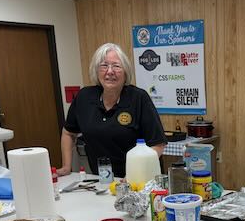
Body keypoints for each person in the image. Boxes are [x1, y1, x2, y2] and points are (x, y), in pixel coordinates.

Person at [57, 43, 167, 178]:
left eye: (116, 66)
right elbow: (68, 132)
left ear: (125, 72)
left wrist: (135, 175)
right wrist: (66, 167)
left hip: (140, 181)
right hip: (101, 180)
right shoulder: (84, 97)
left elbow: (158, 145)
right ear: (96, 71)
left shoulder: (139, 98)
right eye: (104, 66)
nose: (110, 71)